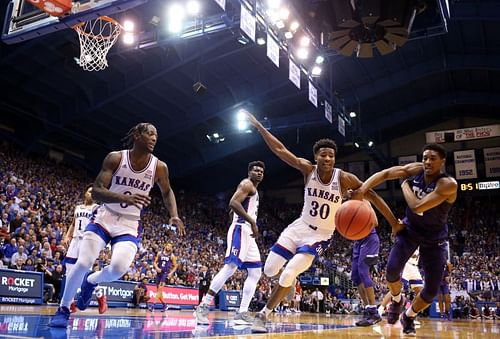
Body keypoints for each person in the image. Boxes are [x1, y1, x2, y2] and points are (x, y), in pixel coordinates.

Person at [244, 111, 399, 333]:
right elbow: (280, 150)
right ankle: (284, 289)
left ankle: (263, 315)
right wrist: (259, 126)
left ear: (334, 158)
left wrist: (393, 223)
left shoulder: (344, 178)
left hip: (321, 235)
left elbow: (372, 195)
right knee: (269, 270)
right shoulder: (308, 170)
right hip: (299, 227)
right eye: (323, 155)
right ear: (315, 157)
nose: (327, 158)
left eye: (331, 156)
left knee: (289, 273)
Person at [50, 122, 185, 327]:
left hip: (129, 224)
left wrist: (174, 215)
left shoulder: (159, 167)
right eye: (149, 133)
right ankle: (63, 308)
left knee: (117, 269)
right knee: (83, 262)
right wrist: (125, 198)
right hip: (105, 216)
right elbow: (96, 191)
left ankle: (91, 281)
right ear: (137, 135)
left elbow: (167, 191)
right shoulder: (116, 157)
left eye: (156, 135)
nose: (154, 138)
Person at [354, 143, 457, 335]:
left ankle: (408, 316)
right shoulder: (416, 169)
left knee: (431, 291)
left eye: (432, 158)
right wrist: (362, 188)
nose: (427, 161)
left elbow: (417, 206)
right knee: (391, 273)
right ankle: (397, 299)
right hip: (410, 230)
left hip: (435, 238)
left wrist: (404, 184)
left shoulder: (448, 184)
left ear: (442, 162)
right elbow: (385, 174)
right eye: (425, 157)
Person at [195, 160, 265, 326]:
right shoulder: (246, 184)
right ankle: (203, 306)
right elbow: (233, 203)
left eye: (261, 171)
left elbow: (232, 210)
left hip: (247, 232)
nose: (259, 172)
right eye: (255, 170)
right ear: (249, 173)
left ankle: (242, 313)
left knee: (255, 272)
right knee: (230, 268)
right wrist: (251, 223)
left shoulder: (253, 189)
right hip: (241, 229)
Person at [61, 184, 99, 313]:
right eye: (89, 191)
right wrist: (67, 236)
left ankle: (99, 295)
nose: (91, 194)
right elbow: (73, 223)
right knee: (69, 271)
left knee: (85, 272)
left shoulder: (97, 208)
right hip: (75, 240)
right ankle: (69, 301)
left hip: (87, 240)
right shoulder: (78, 207)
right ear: (85, 193)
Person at [351, 205, 382, 326]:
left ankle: (374, 312)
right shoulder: (346, 203)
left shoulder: (364, 202)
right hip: (358, 241)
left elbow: (375, 222)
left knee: (363, 271)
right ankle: (367, 309)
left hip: (369, 239)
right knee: (355, 276)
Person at [378, 248, 424, 323]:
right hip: (406, 264)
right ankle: (379, 310)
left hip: (415, 267)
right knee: (397, 289)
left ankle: (409, 315)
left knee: (421, 293)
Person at [152, 242, 177, 312]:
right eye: (168, 245)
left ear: (171, 248)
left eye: (170, 246)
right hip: (158, 272)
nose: (169, 247)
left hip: (165, 273)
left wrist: (171, 273)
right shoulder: (160, 253)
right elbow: (154, 262)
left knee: (160, 289)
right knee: (159, 291)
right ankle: (165, 305)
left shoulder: (172, 256)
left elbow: (175, 266)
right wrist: (156, 268)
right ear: (165, 246)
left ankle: (153, 305)